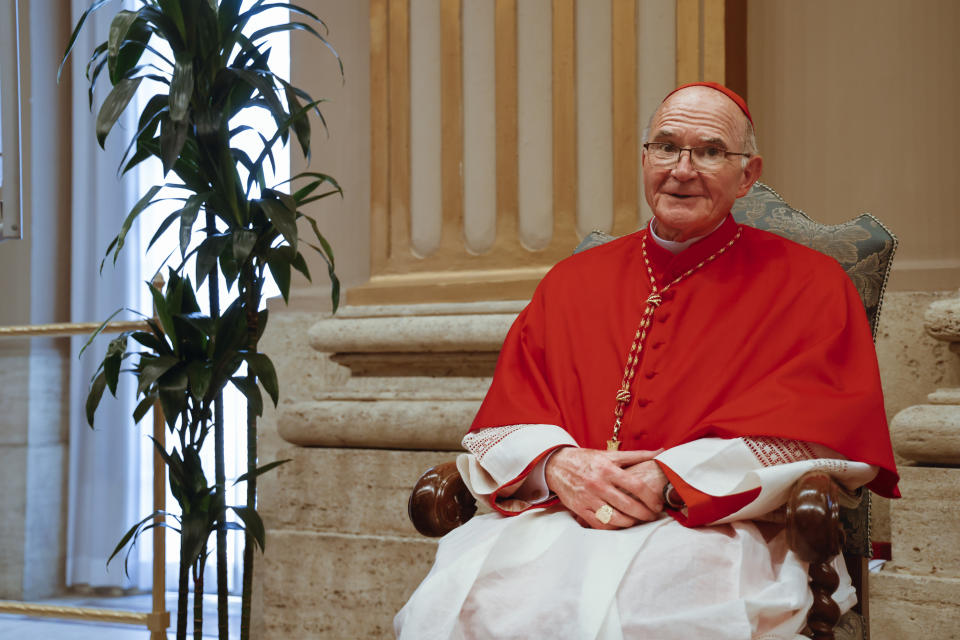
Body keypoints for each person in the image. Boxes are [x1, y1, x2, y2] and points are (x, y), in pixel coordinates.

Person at [395, 82, 899, 640]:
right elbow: (509, 413)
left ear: (748, 175)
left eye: (709, 151)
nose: (683, 169)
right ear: (644, 158)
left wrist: (672, 477)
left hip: (716, 528)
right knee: (472, 608)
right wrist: (556, 465)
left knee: (653, 620)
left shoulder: (811, 285)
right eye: (666, 147)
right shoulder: (572, 281)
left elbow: (828, 432)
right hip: (561, 517)